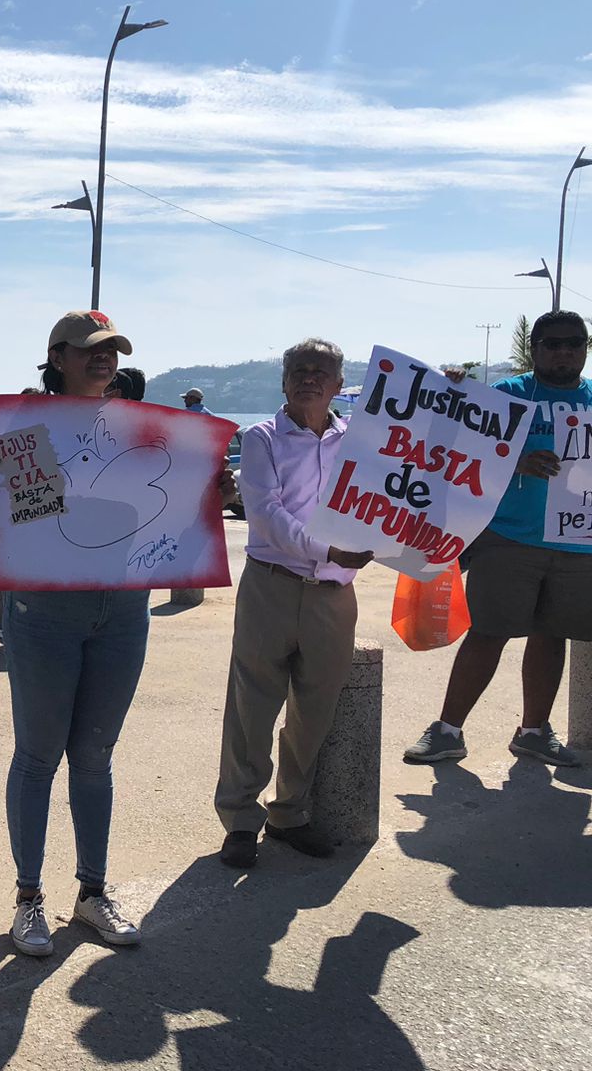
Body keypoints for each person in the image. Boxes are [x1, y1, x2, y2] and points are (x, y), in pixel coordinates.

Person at [0, 310, 236, 954]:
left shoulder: (146, 430)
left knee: (94, 758)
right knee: (37, 756)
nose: (104, 359)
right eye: (91, 350)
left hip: (123, 608)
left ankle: (92, 894)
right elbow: (24, 521)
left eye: (112, 350)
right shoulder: (24, 426)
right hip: (44, 610)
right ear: (57, 355)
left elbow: (162, 505)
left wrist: (210, 485)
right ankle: (29, 899)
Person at [405, 309, 592, 768]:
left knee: (553, 635)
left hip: (578, 544)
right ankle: (447, 731)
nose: (563, 351)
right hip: (509, 537)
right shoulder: (505, 396)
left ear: (586, 348)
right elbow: (453, 450)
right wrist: (517, 462)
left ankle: (534, 731)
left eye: (574, 342)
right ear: (535, 348)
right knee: (489, 633)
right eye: (552, 343)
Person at [214, 339, 374, 869]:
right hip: (272, 585)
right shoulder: (261, 439)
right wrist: (330, 548)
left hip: (334, 594)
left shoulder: (361, 443)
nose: (309, 378)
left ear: (337, 384)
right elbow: (266, 515)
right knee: (251, 708)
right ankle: (240, 819)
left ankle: (288, 814)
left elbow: (415, 475)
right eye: (299, 371)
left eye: (321, 372)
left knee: (316, 710)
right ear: (284, 383)